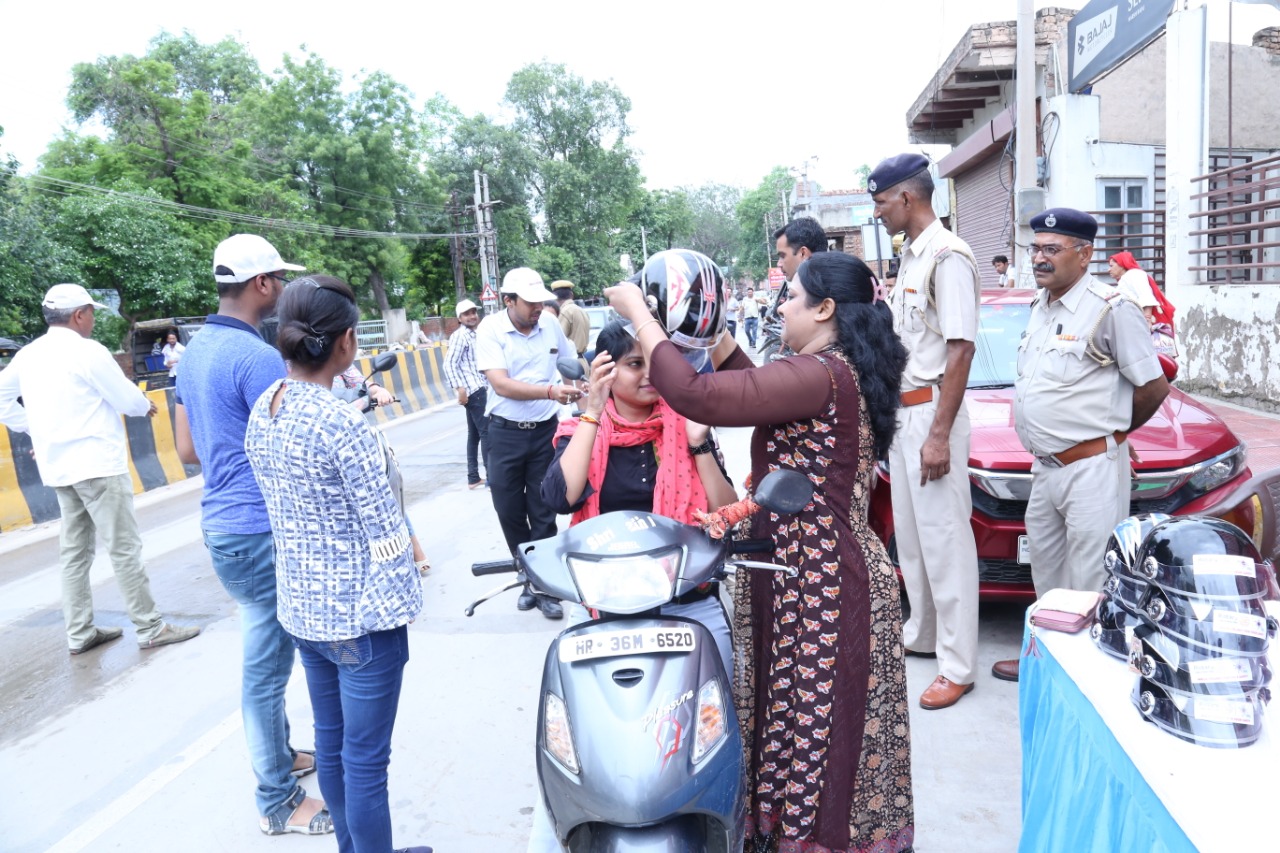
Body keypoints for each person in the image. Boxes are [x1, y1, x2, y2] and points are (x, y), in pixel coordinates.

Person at [606, 249, 914, 853]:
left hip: (823, 582)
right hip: (810, 573)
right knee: (799, 725)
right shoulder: (829, 370)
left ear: (825, 309)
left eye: (791, 298)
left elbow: (699, 395)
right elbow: (752, 386)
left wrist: (641, 315)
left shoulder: (821, 373)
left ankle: (811, 841)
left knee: (819, 734)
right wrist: (715, 330)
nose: (780, 308)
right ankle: (789, 833)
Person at [244, 275, 431, 853]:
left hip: (303, 611)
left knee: (333, 746)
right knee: (367, 764)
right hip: (362, 621)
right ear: (347, 342)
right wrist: (406, 601)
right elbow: (385, 533)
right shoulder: (343, 423)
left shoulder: (265, 408)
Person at [174, 234, 331, 836]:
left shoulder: (193, 352)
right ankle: (278, 800)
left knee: (268, 654)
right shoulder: (260, 359)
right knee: (267, 669)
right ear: (263, 285)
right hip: (261, 527)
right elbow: (292, 450)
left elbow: (189, 450)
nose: (284, 290)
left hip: (222, 525)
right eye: (280, 280)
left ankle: (283, 752)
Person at [992, 209, 1169, 682]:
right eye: (1036, 249)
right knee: (1047, 577)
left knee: (1089, 581)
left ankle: (1085, 679)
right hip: (1045, 470)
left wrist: (1115, 437)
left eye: (1052, 249)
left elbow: (1152, 386)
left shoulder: (1111, 308)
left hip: (1090, 469)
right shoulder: (1040, 306)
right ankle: (1047, 664)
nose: (1040, 259)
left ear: (1085, 253)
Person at [0, 284, 201, 655]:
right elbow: (126, 397)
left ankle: (79, 633)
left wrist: (35, 427)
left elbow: (2, 398)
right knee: (124, 548)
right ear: (79, 315)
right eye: (91, 312)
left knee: (74, 554)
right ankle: (150, 627)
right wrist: (144, 406)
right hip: (97, 465)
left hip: (58, 468)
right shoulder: (87, 351)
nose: (93, 319)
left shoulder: (28, 355)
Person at [540, 319, 739, 671]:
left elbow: (724, 510)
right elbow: (560, 498)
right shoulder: (582, 430)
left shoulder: (688, 424)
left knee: (714, 709)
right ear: (606, 369)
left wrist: (699, 444)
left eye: (657, 363)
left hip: (687, 597)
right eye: (635, 364)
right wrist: (594, 412)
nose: (650, 374)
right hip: (602, 600)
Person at [870, 152, 981, 710]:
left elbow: (960, 348)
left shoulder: (947, 256)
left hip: (933, 413)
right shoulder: (911, 258)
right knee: (912, 541)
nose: (879, 212)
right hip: (905, 414)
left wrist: (938, 434)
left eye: (882, 201)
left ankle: (959, 666)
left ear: (908, 198)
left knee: (944, 541)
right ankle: (926, 635)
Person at [475, 267, 583, 620]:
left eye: (541, 302)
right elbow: (502, 385)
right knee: (508, 509)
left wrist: (588, 411)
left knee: (543, 510)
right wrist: (551, 391)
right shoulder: (491, 330)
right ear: (508, 301)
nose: (538, 308)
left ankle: (544, 585)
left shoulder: (550, 324)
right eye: (530, 303)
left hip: (544, 432)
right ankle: (526, 575)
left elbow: (568, 364)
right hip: (503, 433)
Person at [443, 299, 490, 490]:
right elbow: (449, 364)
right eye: (467, 314)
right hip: (474, 390)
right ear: (459, 318)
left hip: (479, 387)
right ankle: (492, 478)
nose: (472, 316)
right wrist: (459, 388)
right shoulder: (459, 336)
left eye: (473, 312)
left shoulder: (475, 334)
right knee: (487, 433)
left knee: (475, 435)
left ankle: (473, 477)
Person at [1107, 251, 1164, 325]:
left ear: (1121, 265)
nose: (1109, 270)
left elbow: (1146, 296)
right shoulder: (1126, 278)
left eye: (1111, 266)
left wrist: (1147, 321)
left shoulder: (1134, 274)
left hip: (1138, 323)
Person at [551, 280, 589, 358]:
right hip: (582, 360)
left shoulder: (564, 312)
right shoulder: (581, 310)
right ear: (571, 295)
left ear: (554, 297)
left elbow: (557, 341)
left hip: (570, 362)